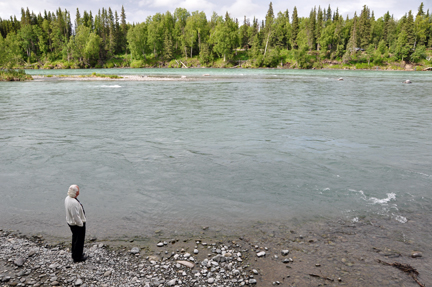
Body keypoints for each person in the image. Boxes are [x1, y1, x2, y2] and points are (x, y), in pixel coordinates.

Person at [65, 184, 88, 262]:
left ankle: (75, 254)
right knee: (79, 240)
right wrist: (81, 224)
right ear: (76, 193)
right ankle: (77, 257)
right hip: (76, 224)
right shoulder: (73, 203)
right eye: (78, 190)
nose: (79, 192)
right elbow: (76, 216)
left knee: (75, 238)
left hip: (71, 222)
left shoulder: (67, 198)